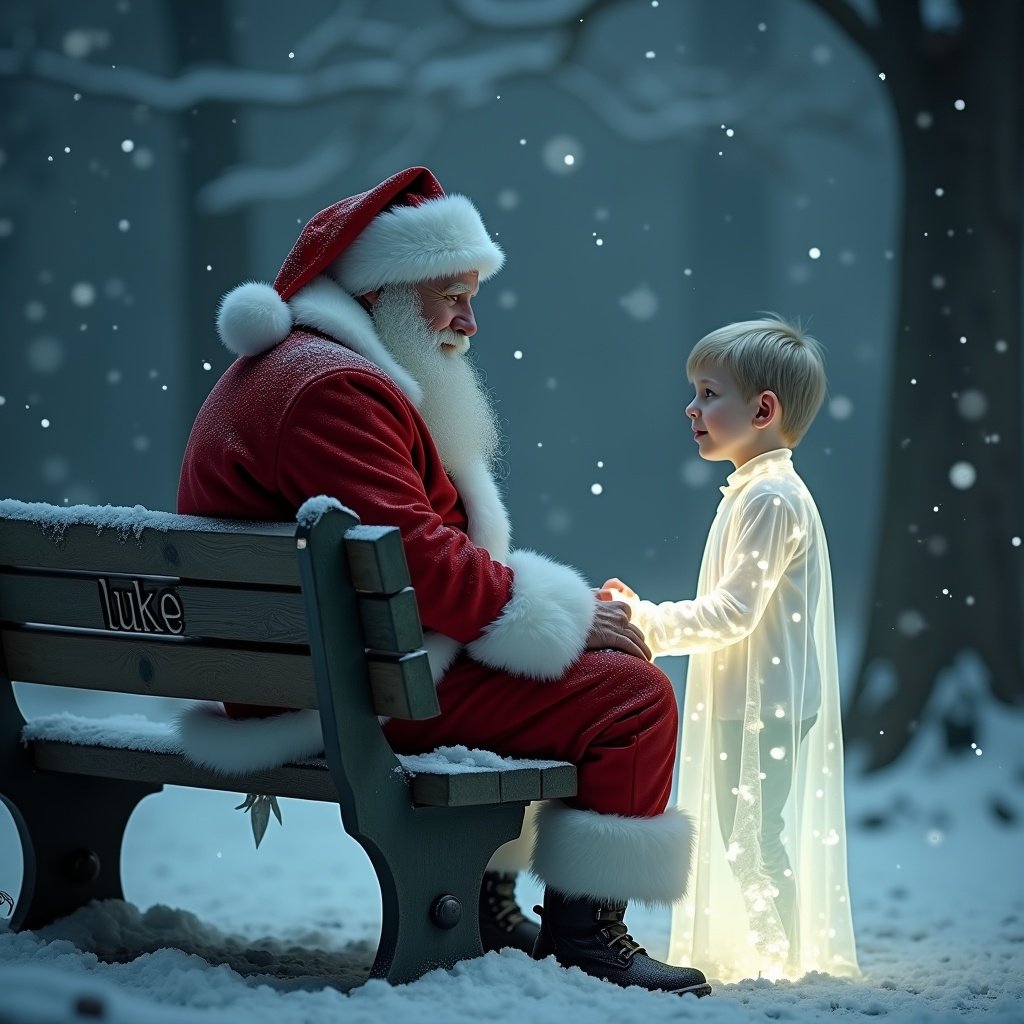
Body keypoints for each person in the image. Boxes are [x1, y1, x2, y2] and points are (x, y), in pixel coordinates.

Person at [174, 166, 710, 996]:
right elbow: (418, 558)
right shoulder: (334, 389)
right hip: (346, 686)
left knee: (575, 678)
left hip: (308, 664)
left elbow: (404, 557)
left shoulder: (300, 368)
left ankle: (486, 903)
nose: (469, 318)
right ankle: (586, 936)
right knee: (630, 698)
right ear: (384, 291)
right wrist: (557, 614)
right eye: (450, 293)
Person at [601, 317, 859, 983]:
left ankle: (785, 959)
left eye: (709, 393)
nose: (692, 407)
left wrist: (645, 622)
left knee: (753, 841)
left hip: (764, 704)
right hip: (758, 696)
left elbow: (734, 613)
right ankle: (776, 951)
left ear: (763, 409)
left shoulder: (770, 498)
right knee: (747, 837)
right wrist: (647, 612)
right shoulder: (757, 490)